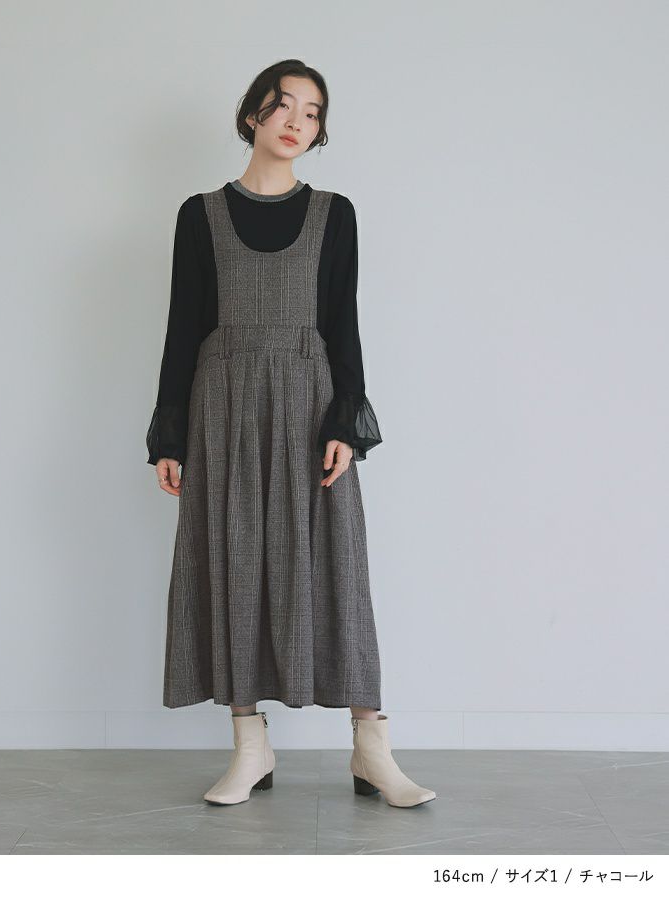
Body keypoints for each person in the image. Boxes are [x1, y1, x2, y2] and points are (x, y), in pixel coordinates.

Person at [146, 59, 435, 809]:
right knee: (233, 559)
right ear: (252, 115)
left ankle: (372, 748)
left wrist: (346, 422)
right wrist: (169, 434)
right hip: (223, 407)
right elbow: (183, 327)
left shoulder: (335, 214)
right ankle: (250, 746)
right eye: (282, 105)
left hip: (310, 403)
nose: (296, 122)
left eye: (311, 112)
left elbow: (344, 323)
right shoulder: (200, 215)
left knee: (336, 563)